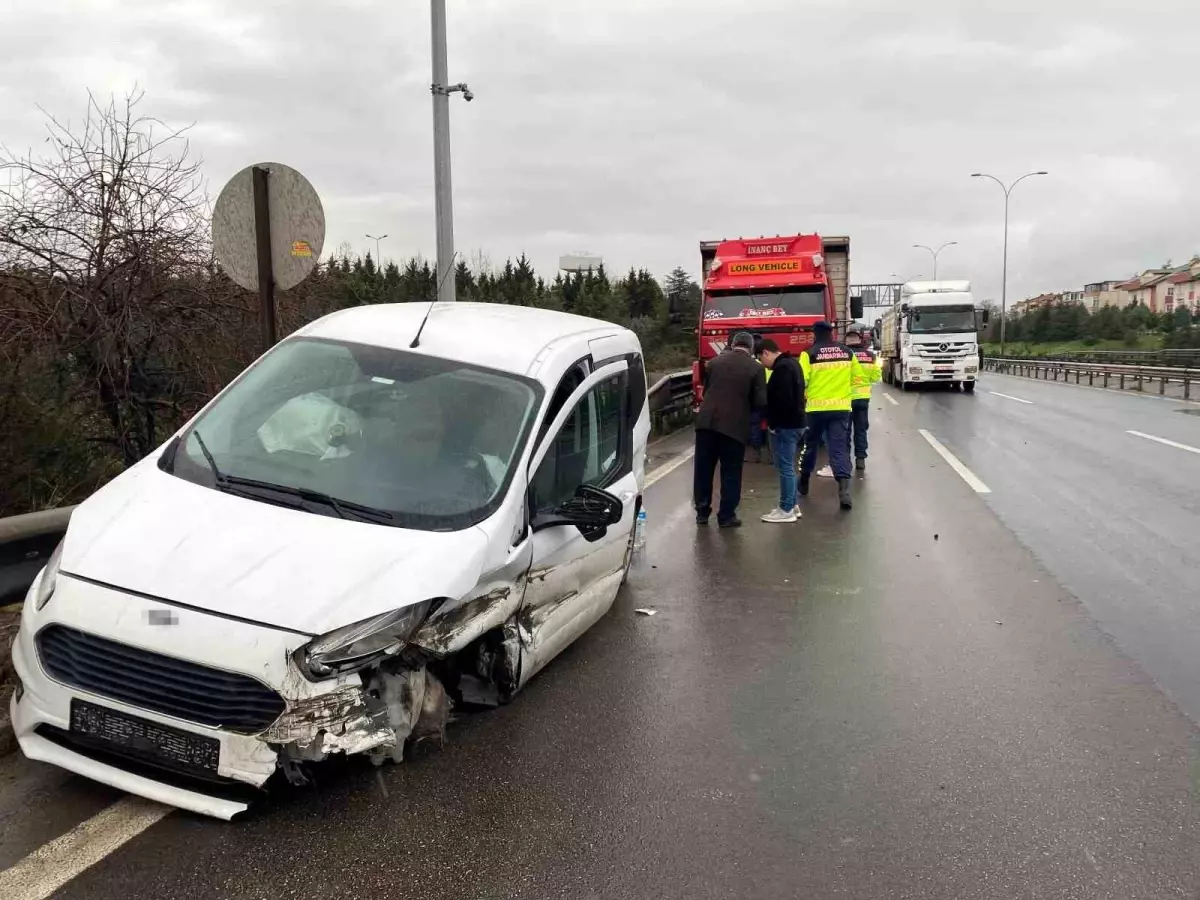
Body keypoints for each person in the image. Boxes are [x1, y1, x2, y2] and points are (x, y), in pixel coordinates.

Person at [693, 331, 767, 528]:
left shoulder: (715, 363)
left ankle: (702, 512)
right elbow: (760, 401)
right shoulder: (756, 368)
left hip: (706, 423)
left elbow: (708, 391)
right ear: (751, 348)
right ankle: (726, 516)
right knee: (731, 472)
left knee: (703, 470)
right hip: (734, 427)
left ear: (733, 344)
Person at [798, 321, 864, 510]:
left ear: (815, 334)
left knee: (809, 447)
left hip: (815, 410)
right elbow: (858, 378)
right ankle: (843, 491)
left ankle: (804, 480)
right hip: (841, 409)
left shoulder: (808, 354)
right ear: (831, 334)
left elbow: (802, 380)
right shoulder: (847, 352)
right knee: (839, 448)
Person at [757, 338, 806, 523]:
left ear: (766, 353)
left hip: (786, 425)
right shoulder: (793, 363)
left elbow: (783, 400)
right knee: (789, 467)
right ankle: (793, 505)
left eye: (761, 359)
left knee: (785, 467)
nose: (763, 364)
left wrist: (773, 422)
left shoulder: (782, 369)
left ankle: (785, 509)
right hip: (797, 422)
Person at [845, 325, 880, 471]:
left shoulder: (844, 354)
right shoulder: (871, 355)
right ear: (860, 340)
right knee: (861, 429)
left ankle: (845, 459)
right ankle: (860, 459)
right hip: (863, 398)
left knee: (845, 431)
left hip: (846, 399)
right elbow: (876, 376)